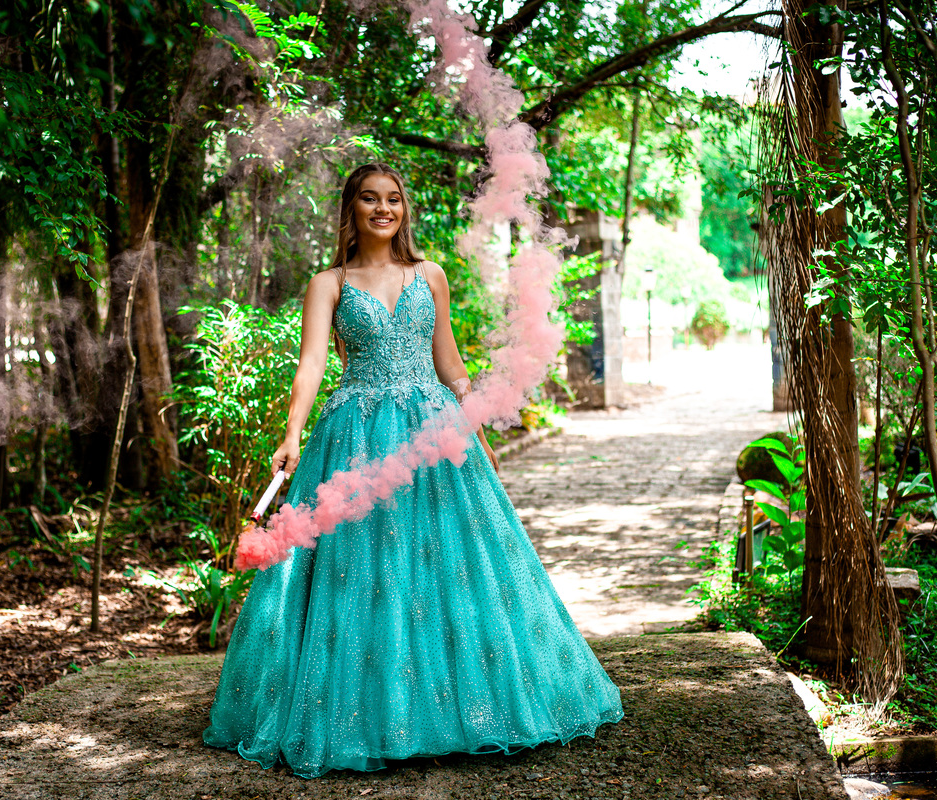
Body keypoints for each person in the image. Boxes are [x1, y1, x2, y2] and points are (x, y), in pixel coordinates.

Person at [202, 163, 623, 778]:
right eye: (370, 199)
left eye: (393, 199)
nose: (383, 209)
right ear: (350, 209)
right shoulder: (329, 284)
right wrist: (292, 434)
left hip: (434, 433)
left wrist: (476, 427)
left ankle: (460, 711)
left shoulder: (430, 275)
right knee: (360, 570)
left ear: (404, 209)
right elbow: (311, 364)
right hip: (357, 438)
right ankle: (370, 714)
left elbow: (449, 363)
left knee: (450, 563)